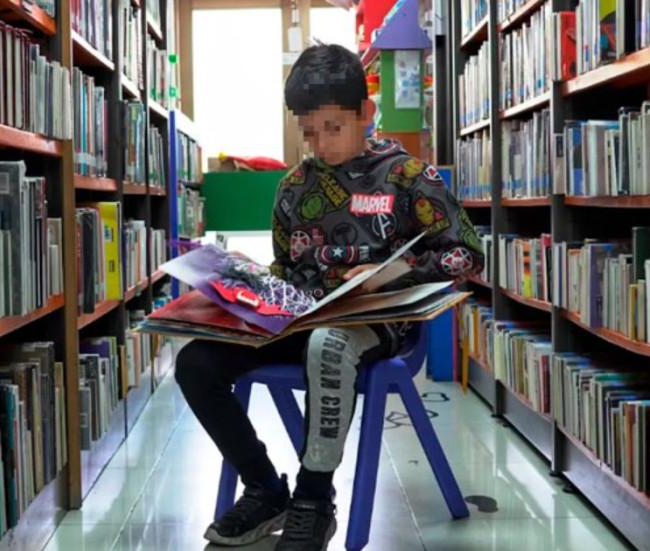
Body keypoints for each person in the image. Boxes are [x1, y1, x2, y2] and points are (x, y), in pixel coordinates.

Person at [174, 43, 485, 550]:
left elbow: (468, 254)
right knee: (195, 363)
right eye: (309, 132)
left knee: (329, 346)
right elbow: (285, 267)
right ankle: (264, 487)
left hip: (376, 323)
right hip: (299, 319)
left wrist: (397, 273)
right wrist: (240, 295)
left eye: (334, 128)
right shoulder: (294, 186)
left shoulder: (410, 178)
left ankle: (314, 500)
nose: (321, 144)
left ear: (366, 113)